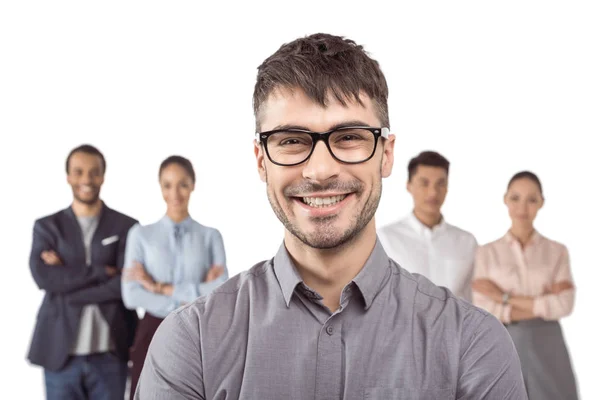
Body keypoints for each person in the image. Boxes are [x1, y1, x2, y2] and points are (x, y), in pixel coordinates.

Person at [135, 33, 527, 399]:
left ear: (386, 154)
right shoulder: (191, 341)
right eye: (291, 140)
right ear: (261, 161)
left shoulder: (472, 344)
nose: (320, 170)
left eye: (349, 137)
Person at [27, 144, 138, 400]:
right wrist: (101, 272)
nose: (86, 179)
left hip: (111, 354)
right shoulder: (47, 227)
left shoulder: (126, 226)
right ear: (68, 176)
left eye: (93, 172)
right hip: (60, 354)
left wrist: (69, 286)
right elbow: (44, 277)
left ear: (103, 176)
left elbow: (123, 285)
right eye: (78, 172)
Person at [122, 155, 228, 399]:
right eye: (167, 185)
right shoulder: (140, 235)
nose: (175, 193)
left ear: (193, 184)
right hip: (151, 331)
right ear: (160, 187)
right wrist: (188, 299)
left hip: (198, 330)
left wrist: (159, 288)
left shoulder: (210, 236)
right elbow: (132, 295)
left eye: (182, 183)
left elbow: (221, 289)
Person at [472, 171, 578, 399]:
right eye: (515, 198)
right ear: (505, 200)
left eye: (532, 199)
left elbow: (564, 305)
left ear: (541, 202)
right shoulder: (487, 253)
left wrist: (503, 297)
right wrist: (543, 302)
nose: (523, 207)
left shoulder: (556, 252)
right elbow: (483, 307)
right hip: (502, 339)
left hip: (548, 343)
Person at [378, 151, 478, 301]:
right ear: (409, 186)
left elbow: (475, 298)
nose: (433, 192)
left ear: (447, 187)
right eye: (424, 183)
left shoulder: (467, 241)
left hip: (456, 324)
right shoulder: (385, 239)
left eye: (440, 184)